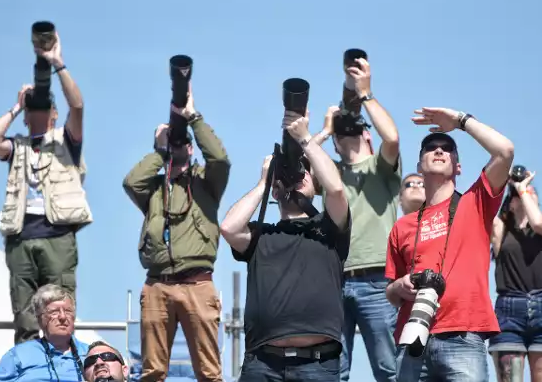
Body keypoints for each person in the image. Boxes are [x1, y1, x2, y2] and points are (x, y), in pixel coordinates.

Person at [220, 108, 351, 381]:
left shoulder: (329, 230)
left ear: (315, 186)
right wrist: (264, 183)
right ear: (276, 190)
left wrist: (305, 139)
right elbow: (228, 228)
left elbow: (337, 190)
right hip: (263, 364)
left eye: (305, 174)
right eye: (292, 175)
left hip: (319, 363)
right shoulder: (261, 236)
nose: (299, 177)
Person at [385, 107, 514, 382]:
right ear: (419, 167)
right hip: (412, 339)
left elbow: (505, 151)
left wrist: (460, 122)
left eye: (448, 148)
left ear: (458, 166)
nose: (439, 150)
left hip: (463, 337)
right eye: (431, 147)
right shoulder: (402, 226)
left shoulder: (475, 202)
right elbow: (392, 292)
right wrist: (399, 286)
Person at [0, 31, 92, 345]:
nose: (39, 113)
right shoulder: (17, 147)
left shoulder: (65, 142)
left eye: (45, 109)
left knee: (59, 313)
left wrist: (58, 65)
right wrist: (17, 107)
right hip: (21, 237)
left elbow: (78, 105)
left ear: (55, 115)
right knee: (25, 316)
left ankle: (61, 367)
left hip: (56, 236)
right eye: (34, 110)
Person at [122, 85, 230, 382]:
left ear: (193, 148)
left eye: (184, 142)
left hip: (197, 283)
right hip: (157, 284)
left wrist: (193, 118)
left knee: (209, 372)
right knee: (152, 372)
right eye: (175, 141)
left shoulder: (206, 183)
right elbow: (131, 183)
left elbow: (220, 159)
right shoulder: (155, 189)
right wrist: (159, 150)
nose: (179, 145)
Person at [312, 55, 400, 381]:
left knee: (390, 370)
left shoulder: (382, 168)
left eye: (355, 128)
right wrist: (322, 132)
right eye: (340, 132)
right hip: (335, 280)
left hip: (378, 280)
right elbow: (295, 170)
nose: (347, 132)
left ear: (367, 135)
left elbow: (392, 138)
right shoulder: (330, 173)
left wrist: (365, 94)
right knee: (334, 372)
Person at [488, 169, 542, 382]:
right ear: (510, 203)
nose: (524, 194)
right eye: (517, 194)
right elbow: (489, 206)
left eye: (531, 192)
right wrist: (506, 179)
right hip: (508, 311)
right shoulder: (501, 229)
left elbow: (537, 223)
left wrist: (522, 189)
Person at [0, 284, 89, 381]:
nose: (62, 317)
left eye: (68, 311)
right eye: (54, 312)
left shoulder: (92, 355)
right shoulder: (19, 355)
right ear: (40, 319)